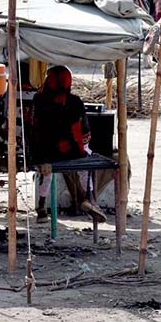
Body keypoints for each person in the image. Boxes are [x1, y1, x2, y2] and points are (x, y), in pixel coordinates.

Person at [32, 66, 106, 224]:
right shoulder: (75, 102)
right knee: (85, 164)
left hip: (47, 153)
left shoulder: (38, 101)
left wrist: (39, 156)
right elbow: (84, 131)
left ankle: (41, 207)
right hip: (72, 152)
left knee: (47, 172)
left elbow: (35, 131)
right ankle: (88, 199)